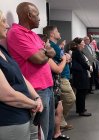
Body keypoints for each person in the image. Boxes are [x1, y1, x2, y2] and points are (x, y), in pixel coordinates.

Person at [7, 2, 56, 140]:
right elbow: (38, 59)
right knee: (41, 133)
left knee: (48, 130)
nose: (39, 18)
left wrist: (45, 52)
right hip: (36, 91)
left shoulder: (33, 35)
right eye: (37, 15)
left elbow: (50, 51)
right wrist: (46, 53)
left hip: (47, 87)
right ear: (29, 15)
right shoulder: (16, 33)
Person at [0, 10, 43, 140]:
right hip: (10, 120)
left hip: (25, 113)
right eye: (3, 21)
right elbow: (7, 95)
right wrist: (34, 104)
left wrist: (36, 97)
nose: (7, 25)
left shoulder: (2, 49)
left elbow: (20, 76)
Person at [43, 26, 75, 132]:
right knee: (70, 98)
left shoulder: (56, 46)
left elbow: (65, 58)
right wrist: (66, 58)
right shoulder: (52, 46)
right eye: (57, 31)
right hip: (60, 77)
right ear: (51, 34)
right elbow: (64, 58)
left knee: (60, 102)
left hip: (63, 76)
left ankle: (60, 121)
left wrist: (65, 57)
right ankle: (59, 119)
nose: (59, 32)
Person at [38, 34, 70, 140]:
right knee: (50, 117)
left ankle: (57, 133)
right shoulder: (44, 56)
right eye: (47, 43)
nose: (49, 45)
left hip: (54, 86)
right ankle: (55, 134)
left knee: (58, 110)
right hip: (51, 88)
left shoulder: (48, 55)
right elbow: (58, 69)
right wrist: (64, 59)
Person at [71, 37, 92, 116]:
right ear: (78, 44)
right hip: (80, 75)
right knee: (81, 93)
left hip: (81, 74)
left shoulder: (78, 52)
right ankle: (81, 111)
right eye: (82, 43)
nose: (84, 44)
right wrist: (89, 67)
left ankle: (81, 108)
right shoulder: (77, 52)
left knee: (81, 92)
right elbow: (83, 63)